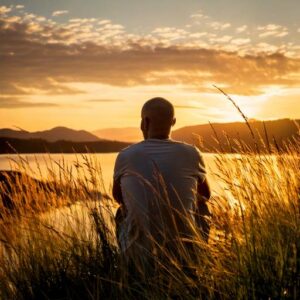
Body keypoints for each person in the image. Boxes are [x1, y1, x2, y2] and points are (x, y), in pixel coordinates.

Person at [113, 97, 211, 271]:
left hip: (139, 262)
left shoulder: (125, 156)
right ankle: (197, 259)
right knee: (203, 209)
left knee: (121, 212)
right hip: (183, 258)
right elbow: (205, 195)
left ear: (144, 122)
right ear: (173, 122)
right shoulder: (192, 153)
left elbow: (118, 197)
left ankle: (128, 260)